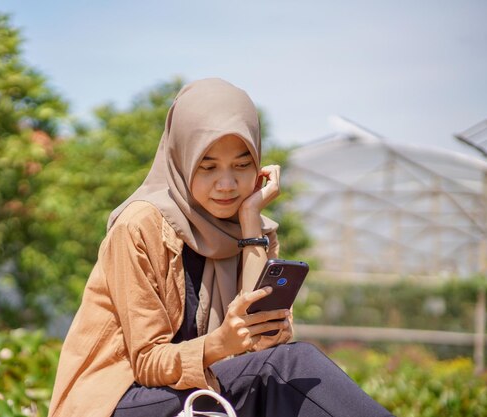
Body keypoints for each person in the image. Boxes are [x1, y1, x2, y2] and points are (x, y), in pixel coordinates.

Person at [48, 78, 393, 417]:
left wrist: (250, 221)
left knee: (277, 368)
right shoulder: (139, 226)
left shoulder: (254, 228)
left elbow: (256, 351)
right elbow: (147, 363)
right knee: (285, 366)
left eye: (242, 165)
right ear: (180, 160)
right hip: (119, 400)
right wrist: (221, 344)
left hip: (201, 390)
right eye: (208, 166)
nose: (227, 184)